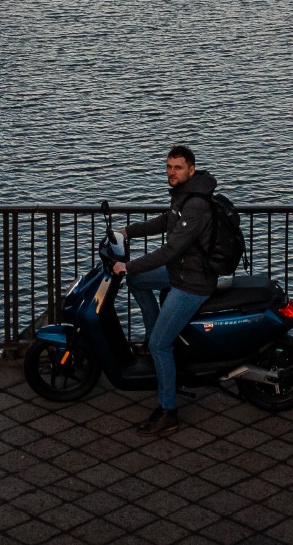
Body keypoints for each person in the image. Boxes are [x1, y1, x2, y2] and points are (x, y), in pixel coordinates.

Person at [114, 144, 221, 437]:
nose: (171, 172)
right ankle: (153, 337)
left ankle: (168, 411)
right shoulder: (184, 196)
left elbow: (172, 250)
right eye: (168, 167)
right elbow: (164, 222)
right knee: (139, 282)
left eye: (177, 167)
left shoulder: (196, 204)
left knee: (163, 344)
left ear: (191, 169)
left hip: (192, 283)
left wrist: (129, 266)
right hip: (181, 272)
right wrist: (128, 231)